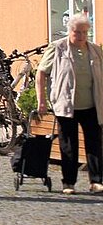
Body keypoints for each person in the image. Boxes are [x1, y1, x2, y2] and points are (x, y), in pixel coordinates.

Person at [35, 12, 103, 194]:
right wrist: (41, 100)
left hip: (92, 104)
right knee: (68, 145)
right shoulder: (57, 48)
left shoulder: (95, 50)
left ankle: (96, 181)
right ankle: (69, 183)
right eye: (77, 32)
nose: (80, 36)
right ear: (69, 30)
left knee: (95, 143)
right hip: (66, 105)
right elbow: (41, 73)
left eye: (84, 32)